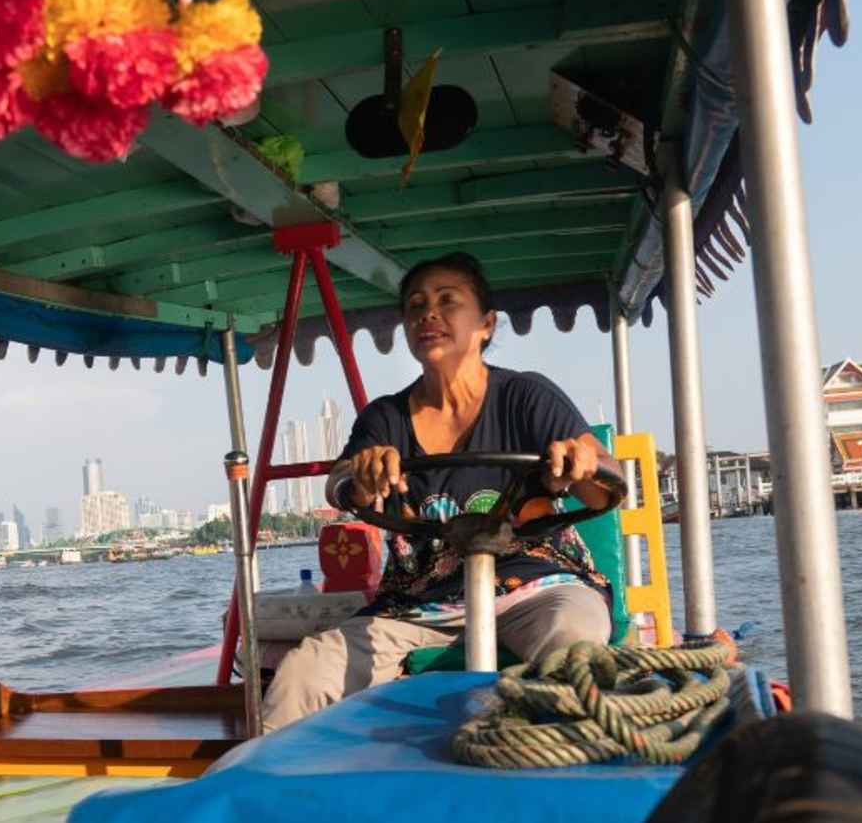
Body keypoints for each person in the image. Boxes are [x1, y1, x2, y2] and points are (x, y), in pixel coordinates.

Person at [260, 253, 620, 733]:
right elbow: (343, 485)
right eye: (416, 305)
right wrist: (363, 474)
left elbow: (603, 487)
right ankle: (272, 780)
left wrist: (583, 461)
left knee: (574, 643)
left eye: (447, 301)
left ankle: (557, 763)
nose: (428, 314)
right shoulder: (384, 418)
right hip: (419, 604)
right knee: (303, 674)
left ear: (486, 324)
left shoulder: (527, 397)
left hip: (537, 590)